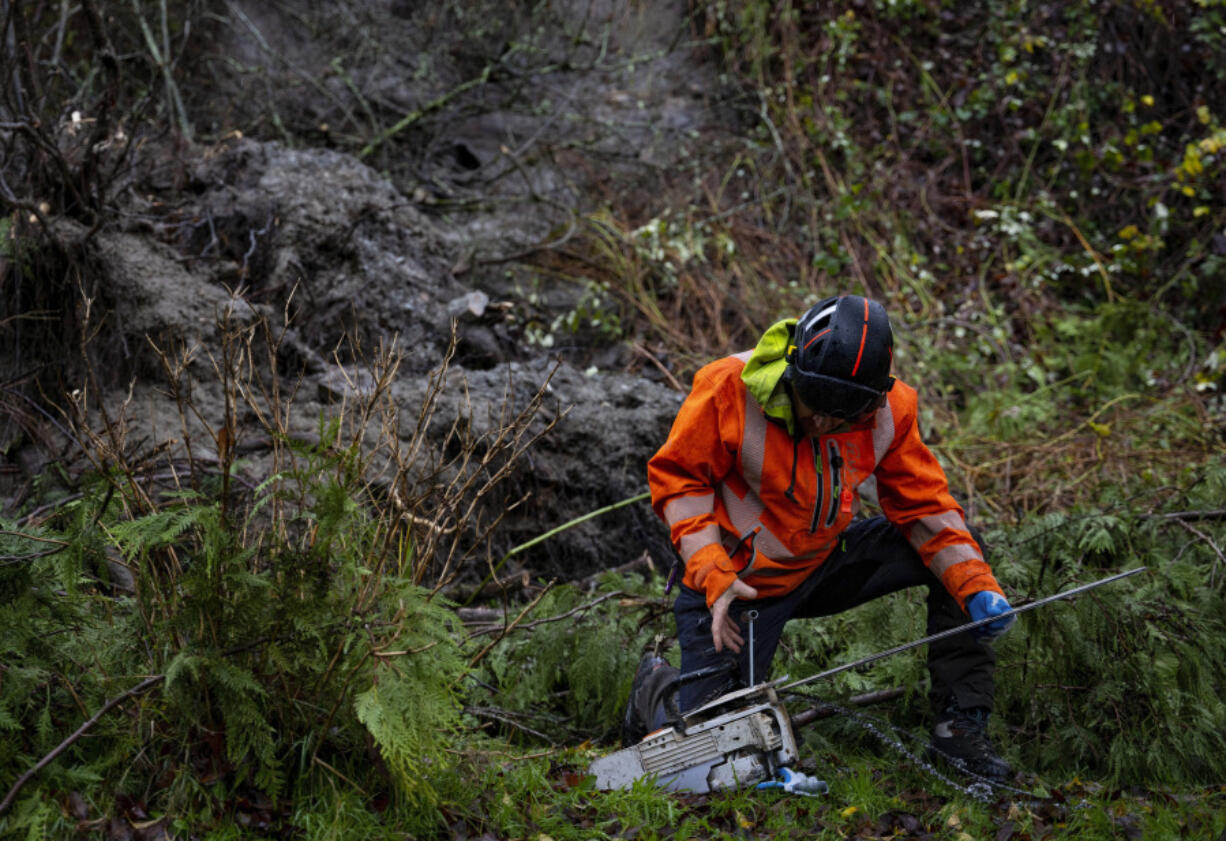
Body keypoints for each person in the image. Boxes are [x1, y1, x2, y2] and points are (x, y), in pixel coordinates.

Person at [623, 294, 1017, 782]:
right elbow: (680, 480)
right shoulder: (727, 388)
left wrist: (975, 585)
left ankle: (959, 734)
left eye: (842, 415)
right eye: (816, 407)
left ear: (872, 399)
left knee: (959, 559)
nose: (825, 423)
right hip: (738, 585)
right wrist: (710, 570)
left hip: (826, 560)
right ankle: (654, 690)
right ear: (795, 371)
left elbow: (925, 506)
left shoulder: (892, 411)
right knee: (714, 751)